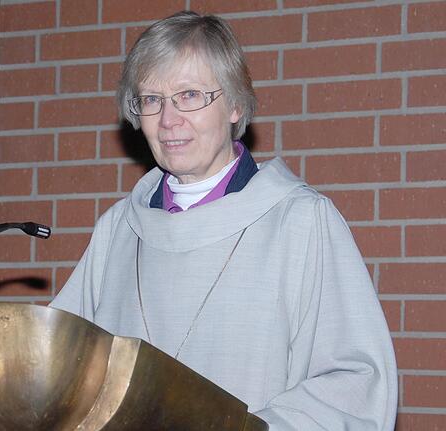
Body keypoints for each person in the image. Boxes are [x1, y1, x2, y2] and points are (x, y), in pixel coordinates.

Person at [50, 11, 397, 430]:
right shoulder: (120, 229)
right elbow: (60, 367)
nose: (168, 120)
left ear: (234, 104)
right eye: (151, 100)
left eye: (190, 95)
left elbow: (355, 382)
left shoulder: (301, 223)